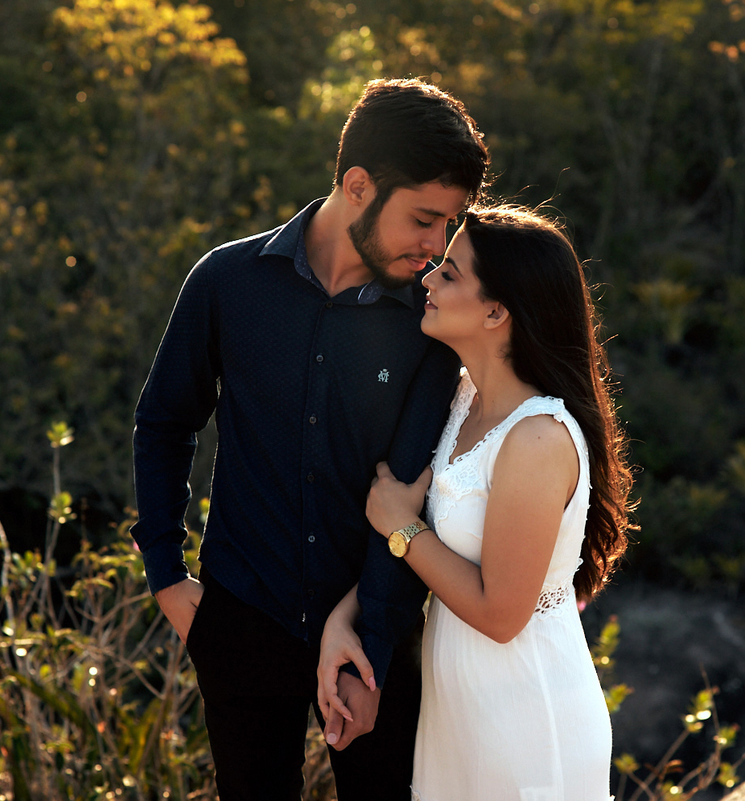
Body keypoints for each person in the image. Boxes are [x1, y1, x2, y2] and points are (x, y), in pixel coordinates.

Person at [130, 79, 489, 800]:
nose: (433, 247)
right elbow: (166, 422)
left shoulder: (428, 327)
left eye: (448, 225)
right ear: (358, 185)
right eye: (423, 219)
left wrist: (377, 645)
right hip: (239, 621)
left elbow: (408, 486)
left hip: (373, 631)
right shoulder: (227, 280)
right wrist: (167, 575)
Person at [318, 206, 636, 799]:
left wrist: (402, 529)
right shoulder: (461, 399)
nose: (427, 280)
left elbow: (500, 613)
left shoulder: (537, 437)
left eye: (450, 273)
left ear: (496, 311)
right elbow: (443, 554)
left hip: (528, 725)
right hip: (458, 721)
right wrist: (346, 615)